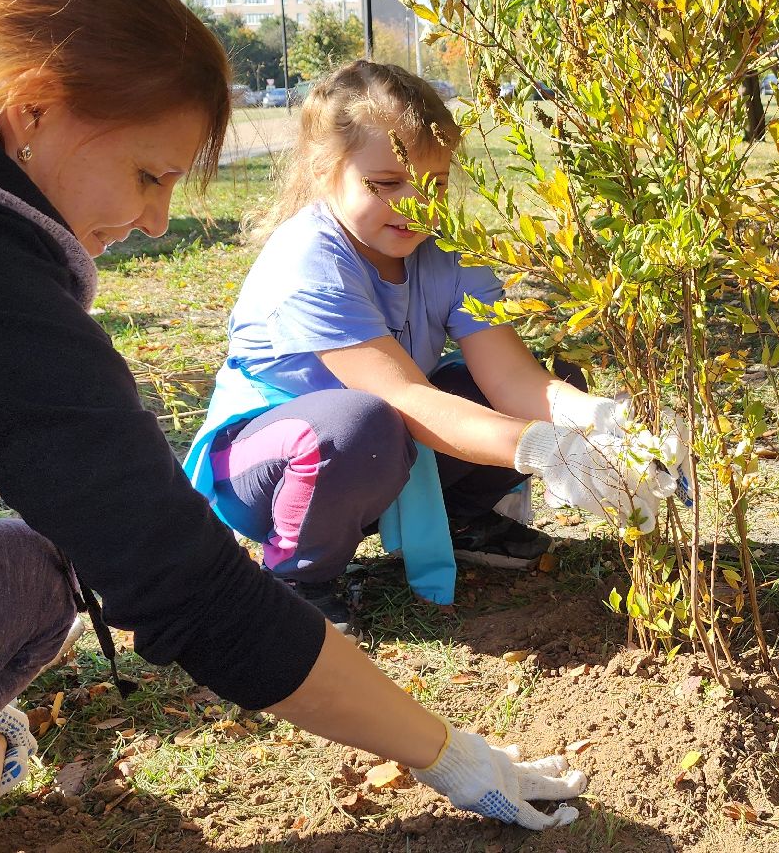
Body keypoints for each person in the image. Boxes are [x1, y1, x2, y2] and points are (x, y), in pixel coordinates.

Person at [0, 0, 588, 851]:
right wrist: (448, 755)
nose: (157, 222)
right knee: (37, 580)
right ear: (34, 105)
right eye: (149, 176)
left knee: (12, 574)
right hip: (270, 452)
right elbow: (184, 586)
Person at [182, 60, 660, 636]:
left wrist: (597, 422)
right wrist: (542, 450)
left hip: (383, 450)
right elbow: (403, 397)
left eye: (433, 185)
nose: (416, 207)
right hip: (270, 469)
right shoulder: (307, 259)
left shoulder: (449, 250)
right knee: (359, 421)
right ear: (324, 170)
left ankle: (464, 522)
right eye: (386, 184)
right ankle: (298, 576)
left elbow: (512, 378)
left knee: (544, 394)